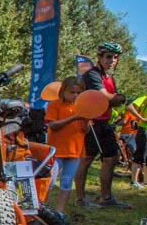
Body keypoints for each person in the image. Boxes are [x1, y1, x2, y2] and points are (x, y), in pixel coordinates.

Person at [75, 42, 129, 209]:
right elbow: (106, 97)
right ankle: (80, 199)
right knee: (87, 159)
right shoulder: (93, 75)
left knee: (111, 158)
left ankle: (106, 198)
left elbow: (112, 102)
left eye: (115, 58)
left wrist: (116, 98)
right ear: (99, 57)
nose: (112, 60)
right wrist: (117, 97)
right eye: (108, 57)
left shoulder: (109, 77)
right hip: (92, 121)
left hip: (105, 121)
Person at [45, 76, 89, 214]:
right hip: (56, 149)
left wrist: (86, 120)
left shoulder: (82, 107)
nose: (75, 95)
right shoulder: (54, 105)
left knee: (66, 181)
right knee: (50, 181)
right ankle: (44, 209)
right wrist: (73, 118)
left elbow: (85, 130)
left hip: (75, 150)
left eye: (78, 93)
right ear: (63, 91)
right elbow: (52, 125)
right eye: (72, 92)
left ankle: (60, 211)